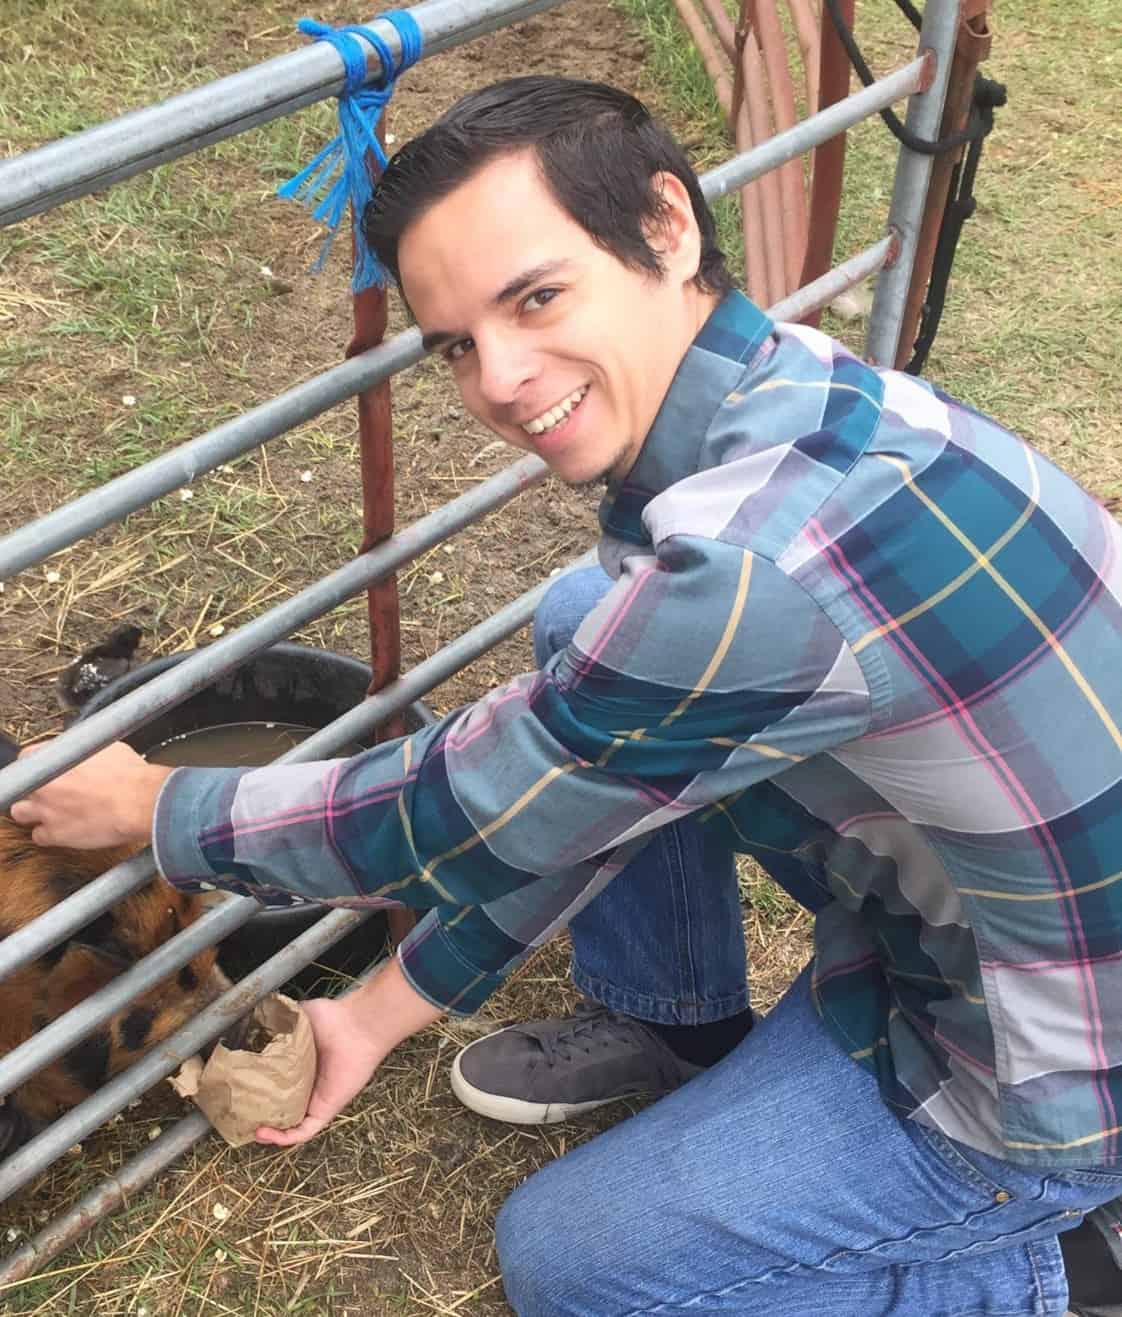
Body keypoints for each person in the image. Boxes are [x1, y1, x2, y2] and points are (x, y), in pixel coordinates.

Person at [14, 76, 1122, 1316]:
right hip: (975, 936)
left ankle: (1062, 1269)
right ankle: (676, 1024)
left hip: (1040, 1078)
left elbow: (471, 812)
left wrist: (161, 806)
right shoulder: (788, 394)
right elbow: (594, 774)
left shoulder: (756, 568)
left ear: (665, 225)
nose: (502, 379)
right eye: (456, 346)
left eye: (536, 297)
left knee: (578, 1266)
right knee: (577, 629)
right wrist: (375, 1018)